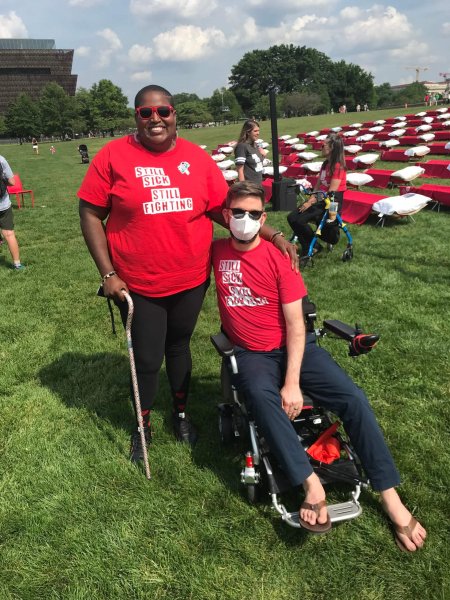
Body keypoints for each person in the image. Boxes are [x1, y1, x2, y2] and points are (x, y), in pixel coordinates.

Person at [78, 84, 297, 463]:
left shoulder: (196, 159)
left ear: (174, 113)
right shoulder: (113, 155)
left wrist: (272, 233)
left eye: (163, 112)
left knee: (179, 347)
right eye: (146, 113)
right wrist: (107, 273)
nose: (155, 119)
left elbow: (225, 210)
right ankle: (143, 425)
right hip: (137, 284)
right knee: (147, 359)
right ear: (137, 117)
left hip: (190, 279)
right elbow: (90, 213)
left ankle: (180, 415)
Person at [212, 180, 427, 549]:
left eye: (252, 214)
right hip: (251, 352)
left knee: (353, 399)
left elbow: (296, 325)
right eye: (237, 213)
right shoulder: (215, 252)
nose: (244, 220)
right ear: (225, 215)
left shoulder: (280, 258)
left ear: (262, 217)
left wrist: (292, 381)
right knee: (262, 400)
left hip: (297, 347)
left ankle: (390, 496)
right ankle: (309, 483)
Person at [287, 132, 346, 256]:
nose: (321, 147)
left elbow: (332, 192)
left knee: (300, 220)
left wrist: (311, 202)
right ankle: (313, 245)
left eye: (324, 145)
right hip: (319, 199)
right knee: (292, 217)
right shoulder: (325, 164)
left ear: (332, 148)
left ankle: (311, 246)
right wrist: (311, 199)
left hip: (331, 202)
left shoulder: (338, 167)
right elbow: (318, 186)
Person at [0, 155, 24, 270]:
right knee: (9, 234)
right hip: (3, 205)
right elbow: (12, 182)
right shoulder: (1, 159)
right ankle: (17, 264)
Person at [234, 119, 266, 184]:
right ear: (248, 132)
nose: (258, 133)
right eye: (255, 131)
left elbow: (256, 164)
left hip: (258, 184)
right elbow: (240, 170)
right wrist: (243, 187)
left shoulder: (255, 145)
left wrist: (263, 155)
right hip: (249, 186)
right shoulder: (242, 147)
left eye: (258, 130)